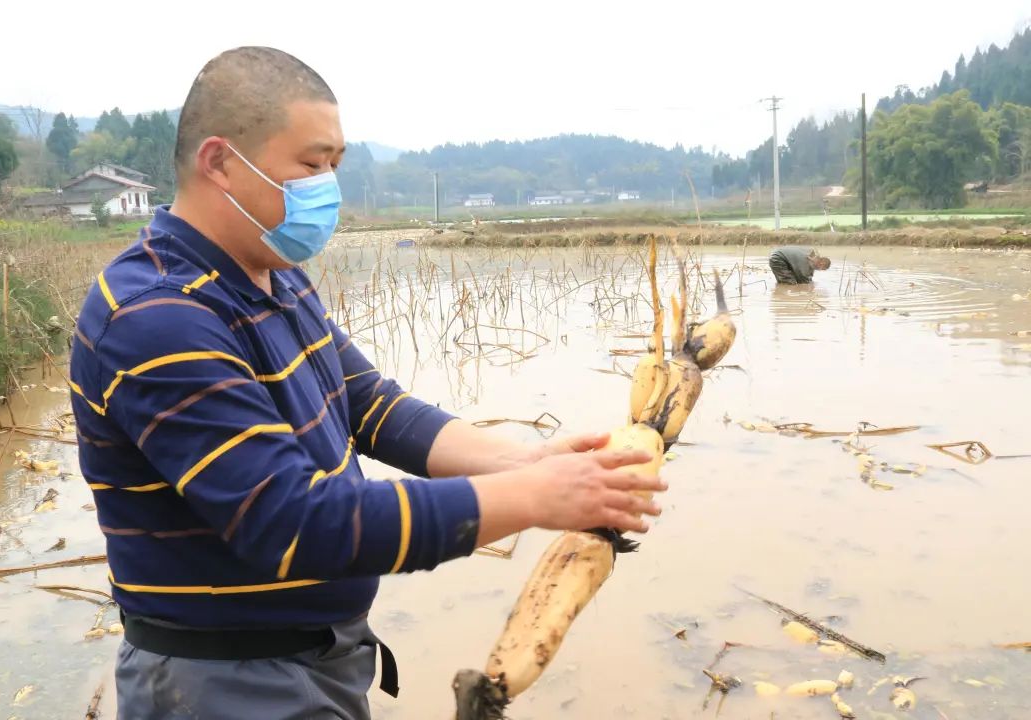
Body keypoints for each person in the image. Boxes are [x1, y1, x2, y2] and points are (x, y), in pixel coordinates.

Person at [69, 47, 665, 720]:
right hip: (228, 682)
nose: (327, 186)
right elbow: (294, 522)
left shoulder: (270, 270)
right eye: (311, 164)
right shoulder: (155, 316)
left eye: (335, 165)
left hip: (317, 659)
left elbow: (367, 404)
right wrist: (529, 497)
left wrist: (524, 459)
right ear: (221, 162)